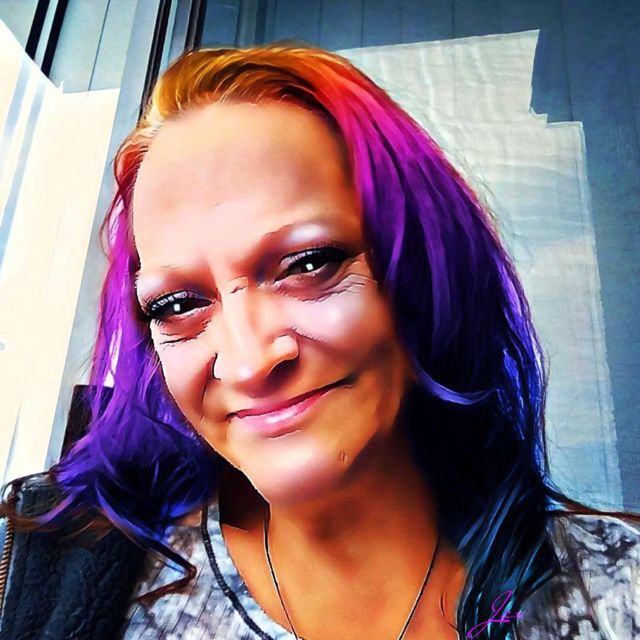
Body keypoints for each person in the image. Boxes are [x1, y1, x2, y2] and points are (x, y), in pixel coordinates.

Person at [0, 44, 638, 640]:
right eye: (179, 305)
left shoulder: (618, 590)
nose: (248, 361)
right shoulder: (65, 567)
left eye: (308, 264)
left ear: (428, 267)